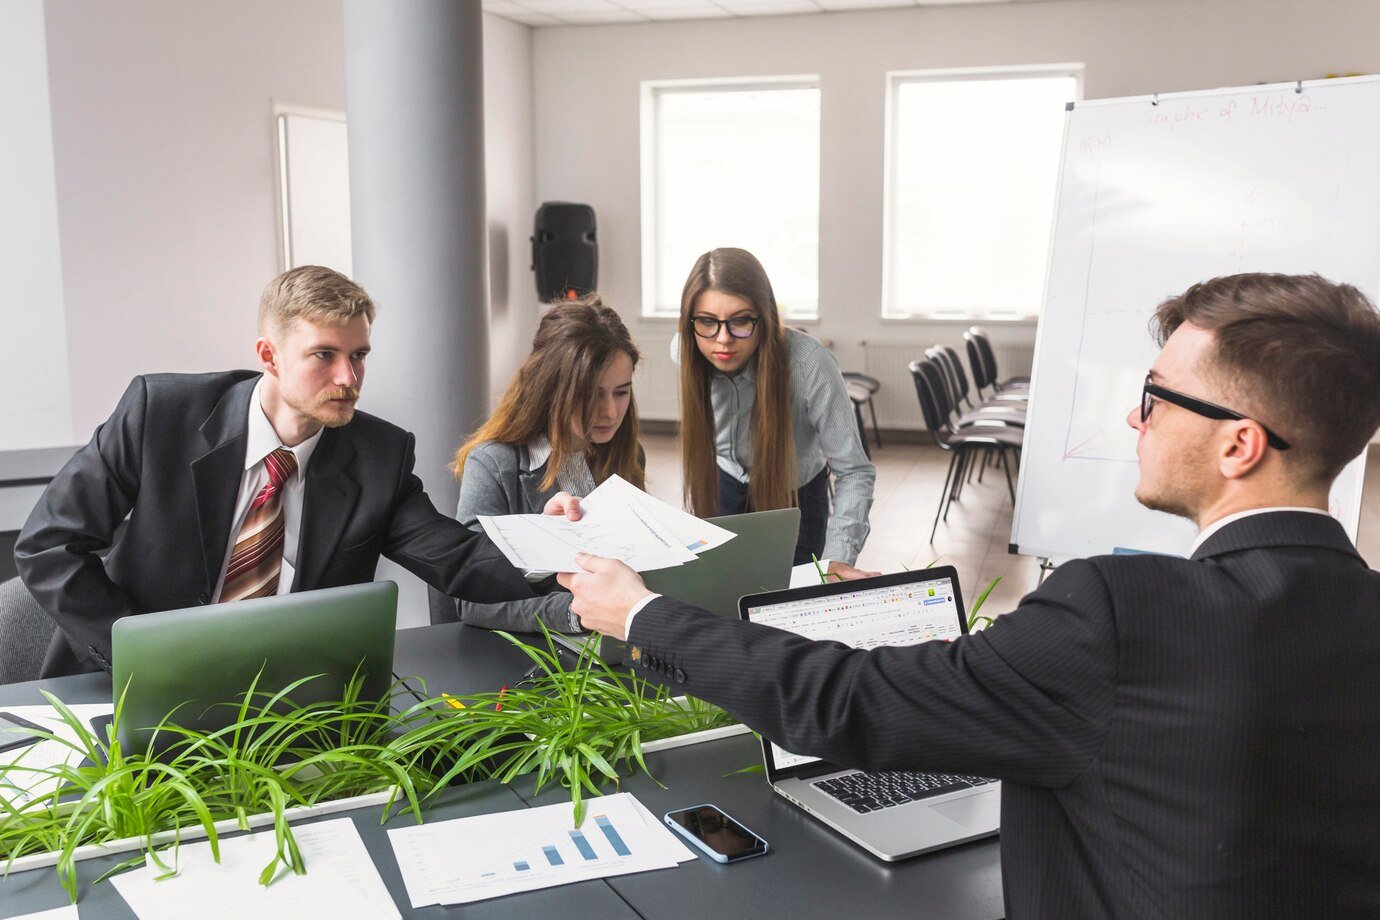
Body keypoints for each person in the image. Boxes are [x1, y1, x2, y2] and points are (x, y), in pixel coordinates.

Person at [560, 273, 1380, 918]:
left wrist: (643, 614)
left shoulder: (1121, 613)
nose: (1136, 420)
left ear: (1240, 444)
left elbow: (853, 702)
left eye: (1158, 398)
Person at [16, 265, 576, 679]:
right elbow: (47, 546)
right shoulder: (159, 414)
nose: (348, 377)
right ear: (269, 354)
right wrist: (142, 656)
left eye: (359, 356)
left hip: (285, 701)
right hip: (134, 680)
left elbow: (455, 558)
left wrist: (551, 546)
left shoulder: (378, 454)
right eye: (325, 355)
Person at [677, 248, 878, 578]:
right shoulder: (685, 351)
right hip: (724, 483)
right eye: (708, 322)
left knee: (789, 607)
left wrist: (838, 557)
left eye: (741, 321)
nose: (723, 340)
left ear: (764, 317)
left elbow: (854, 470)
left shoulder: (809, 365)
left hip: (794, 497)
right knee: (727, 597)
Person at [447, 295, 643, 632]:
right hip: (537, 657)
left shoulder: (627, 453)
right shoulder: (493, 464)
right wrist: (578, 613)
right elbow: (471, 600)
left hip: (616, 643)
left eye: (621, 392)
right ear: (550, 389)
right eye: (592, 394)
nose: (610, 412)